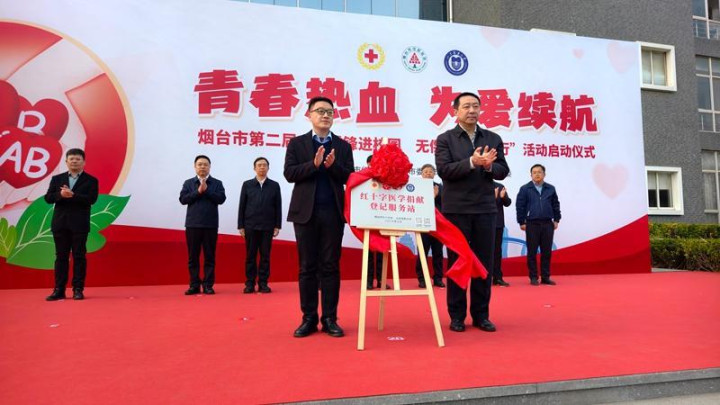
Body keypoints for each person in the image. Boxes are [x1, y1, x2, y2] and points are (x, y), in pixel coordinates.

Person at [435, 92, 510, 333]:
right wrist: (471, 162)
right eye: (466, 106)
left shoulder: (492, 138)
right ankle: (457, 316)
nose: (472, 110)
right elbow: (444, 170)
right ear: (455, 111)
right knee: (458, 262)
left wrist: (488, 165)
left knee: (483, 263)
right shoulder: (445, 139)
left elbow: (503, 170)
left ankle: (481, 315)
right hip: (456, 210)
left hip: (485, 208)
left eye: (475, 106)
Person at [284, 96, 354, 338]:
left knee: (330, 266)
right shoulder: (297, 144)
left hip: (333, 213)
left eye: (330, 112)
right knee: (307, 267)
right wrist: (313, 165)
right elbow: (289, 174)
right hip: (305, 213)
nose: (326, 115)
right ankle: (309, 318)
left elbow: (349, 177)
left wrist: (333, 166)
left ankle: (330, 319)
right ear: (310, 115)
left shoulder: (343, 146)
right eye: (321, 111)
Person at [44, 148, 99, 301]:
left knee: (79, 257)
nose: (74, 161)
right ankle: (59, 290)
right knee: (61, 257)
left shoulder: (91, 180)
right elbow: (48, 198)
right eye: (71, 159)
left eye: (78, 159)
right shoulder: (57, 179)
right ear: (66, 162)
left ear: (84, 162)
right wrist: (60, 195)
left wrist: (73, 195)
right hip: (60, 223)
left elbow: (92, 199)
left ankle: (78, 289)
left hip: (79, 224)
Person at [179, 155, 226, 295]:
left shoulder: (217, 183)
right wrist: (198, 192)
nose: (202, 167)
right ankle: (194, 285)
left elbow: (221, 199)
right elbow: (183, 199)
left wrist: (207, 190)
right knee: (193, 257)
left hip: (210, 225)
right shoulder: (188, 183)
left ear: (209, 167)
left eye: (205, 164)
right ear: (195, 167)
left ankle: (208, 285)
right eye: (199, 164)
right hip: (193, 225)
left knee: (209, 257)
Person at [238, 157, 282, 294]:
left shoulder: (274, 185)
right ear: (254, 168)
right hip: (250, 226)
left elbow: (278, 206)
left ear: (268, 168)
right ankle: (250, 283)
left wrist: (277, 225)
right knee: (250, 256)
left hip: (267, 227)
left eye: (264, 165)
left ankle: (263, 283)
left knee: (265, 257)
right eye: (259, 165)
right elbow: (242, 206)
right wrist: (241, 226)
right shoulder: (247, 185)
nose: (262, 167)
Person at [516, 164, 561, 286]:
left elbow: (556, 204)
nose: (537, 174)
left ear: (544, 174)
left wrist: (556, 219)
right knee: (532, 252)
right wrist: (521, 221)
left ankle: (545, 277)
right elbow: (520, 206)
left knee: (546, 252)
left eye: (539, 172)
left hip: (547, 223)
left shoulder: (550, 188)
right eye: (534, 172)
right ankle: (533, 277)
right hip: (532, 224)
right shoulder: (525, 189)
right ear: (531, 175)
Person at [414, 164, 445, 289]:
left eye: (430, 171)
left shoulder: (440, 187)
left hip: (438, 225)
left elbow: (444, 204)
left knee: (438, 253)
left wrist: (437, 196)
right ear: (421, 174)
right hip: (423, 225)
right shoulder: (417, 187)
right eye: (425, 171)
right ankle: (422, 279)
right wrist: (431, 197)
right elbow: (416, 204)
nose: (428, 173)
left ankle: (438, 278)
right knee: (423, 253)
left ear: (434, 174)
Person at [364, 154, 387, 290]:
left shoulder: (385, 178)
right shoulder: (362, 177)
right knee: (368, 254)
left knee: (381, 252)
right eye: (371, 163)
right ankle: (368, 281)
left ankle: (380, 280)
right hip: (367, 219)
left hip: (381, 219)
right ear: (367, 164)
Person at [492, 182, 512, 287]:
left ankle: (498, 278)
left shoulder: (499, 186)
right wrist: (493, 198)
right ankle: (484, 278)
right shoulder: (479, 185)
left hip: (498, 224)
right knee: (483, 252)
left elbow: (508, 203)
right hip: (482, 225)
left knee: (497, 252)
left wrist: (503, 197)